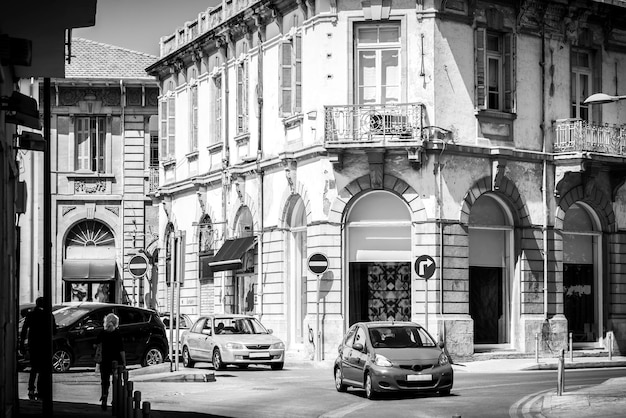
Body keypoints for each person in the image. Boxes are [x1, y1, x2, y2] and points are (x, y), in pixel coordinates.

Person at [20, 296, 57, 401]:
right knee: (43, 369)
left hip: (34, 345)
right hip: (45, 345)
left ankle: (31, 389)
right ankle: (40, 391)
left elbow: (24, 330)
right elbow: (54, 331)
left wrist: (22, 344)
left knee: (34, 368)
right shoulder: (49, 315)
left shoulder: (31, 315)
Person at [95, 313, 126, 411]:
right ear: (115, 322)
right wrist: (124, 362)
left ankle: (104, 395)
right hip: (116, 360)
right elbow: (121, 349)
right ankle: (115, 399)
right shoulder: (117, 333)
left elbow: (96, 346)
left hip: (104, 360)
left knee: (104, 380)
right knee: (116, 381)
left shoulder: (102, 333)